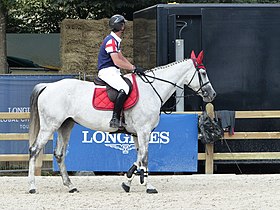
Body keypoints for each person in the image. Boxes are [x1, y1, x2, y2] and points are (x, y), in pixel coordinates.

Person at [97, 14, 144, 128]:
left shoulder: (115, 40)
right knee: (125, 88)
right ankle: (115, 118)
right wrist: (133, 68)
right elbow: (117, 61)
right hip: (107, 71)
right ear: (121, 26)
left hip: (113, 70)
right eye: (123, 24)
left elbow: (121, 58)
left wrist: (134, 67)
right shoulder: (111, 41)